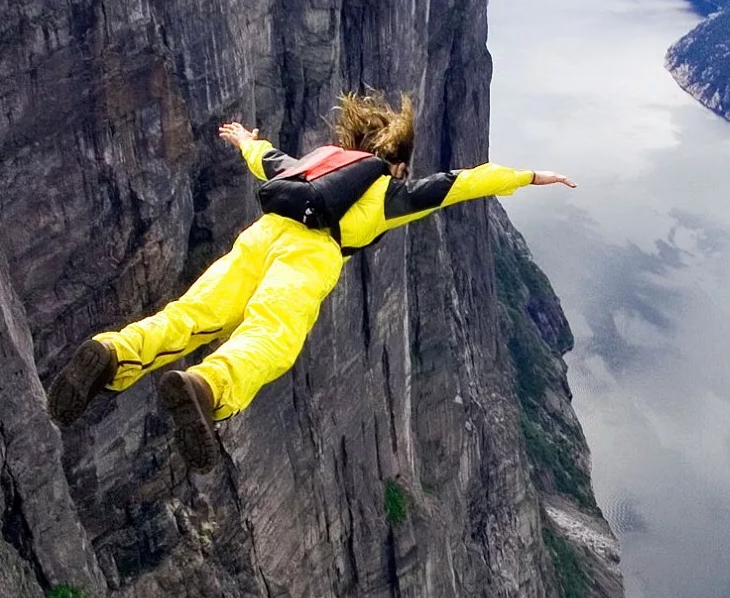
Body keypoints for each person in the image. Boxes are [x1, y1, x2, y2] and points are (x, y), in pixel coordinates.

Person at [46, 91, 576, 470]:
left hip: (260, 235)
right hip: (310, 254)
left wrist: (244, 140)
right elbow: (460, 184)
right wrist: (530, 176)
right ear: (396, 164)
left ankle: (111, 352)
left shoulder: (314, 166)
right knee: (271, 336)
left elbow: (267, 159)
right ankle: (210, 386)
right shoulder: (388, 193)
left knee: (190, 316)